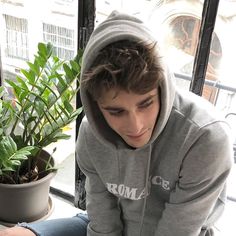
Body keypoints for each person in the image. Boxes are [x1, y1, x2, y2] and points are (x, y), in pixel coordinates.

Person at [0, 10, 233, 236]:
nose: (136, 126)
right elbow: (103, 223)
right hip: (114, 224)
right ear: (97, 107)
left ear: (162, 88)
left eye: (146, 104)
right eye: (116, 111)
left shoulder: (205, 137)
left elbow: (177, 231)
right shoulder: (91, 135)